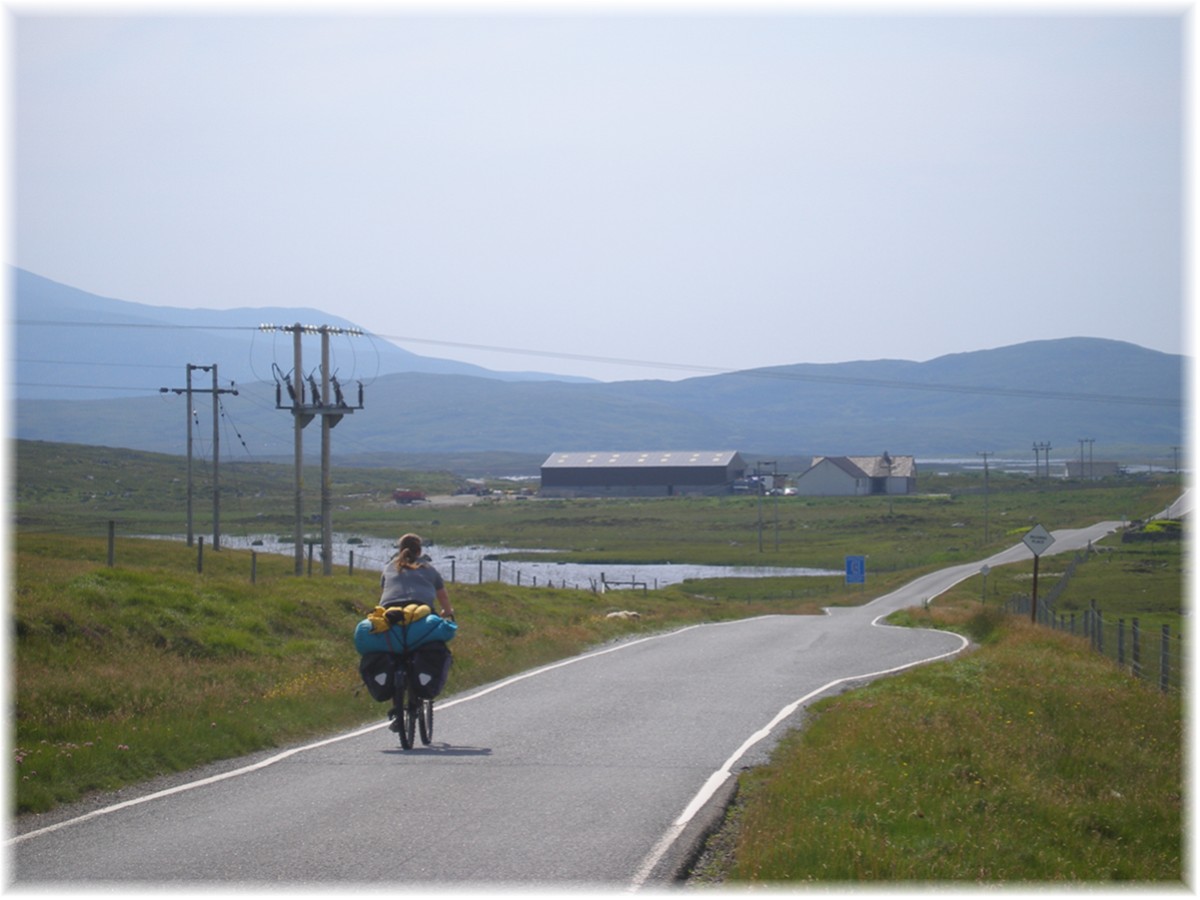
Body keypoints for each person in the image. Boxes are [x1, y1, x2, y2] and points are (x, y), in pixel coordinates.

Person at [380, 533, 455, 620]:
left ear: (400, 550)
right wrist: (447, 611)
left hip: (390, 610)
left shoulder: (389, 567)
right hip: (421, 609)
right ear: (419, 551)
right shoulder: (430, 569)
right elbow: (443, 597)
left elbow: (385, 590)